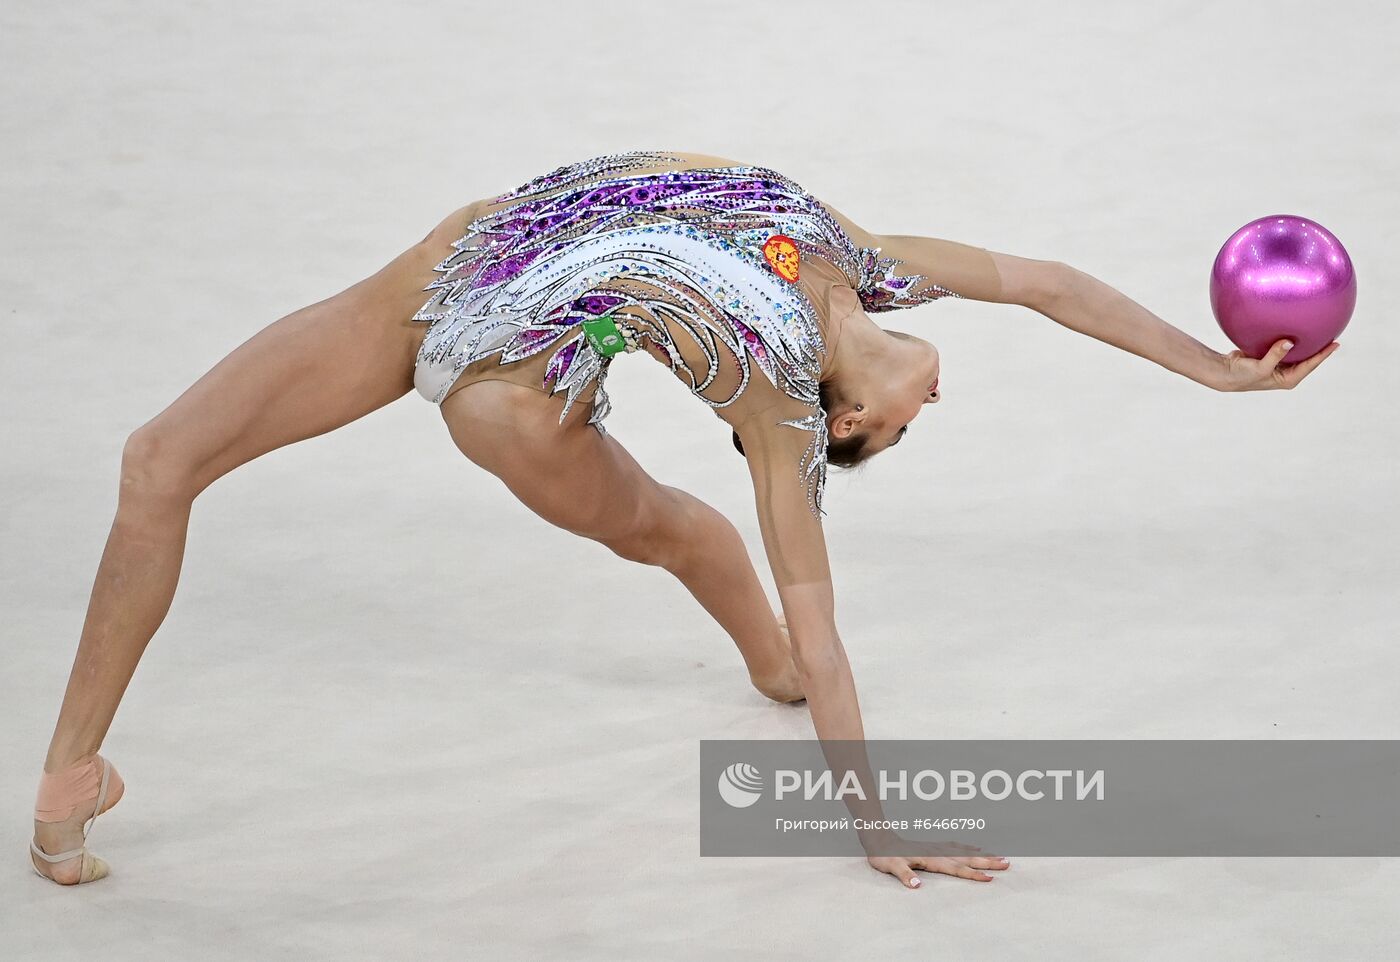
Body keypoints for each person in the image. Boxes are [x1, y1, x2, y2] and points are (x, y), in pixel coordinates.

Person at [28, 149, 1338, 890]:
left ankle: (753, 661)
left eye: (896, 432)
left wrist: (873, 819)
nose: (924, 411)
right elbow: (1051, 285)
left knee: (689, 536)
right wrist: (1214, 369)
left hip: (514, 394)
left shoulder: (776, 405)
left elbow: (830, 626)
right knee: (157, 459)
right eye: (910, 424)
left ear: (836, 420)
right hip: (443, 278)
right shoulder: (866, 260)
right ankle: (65, 781)